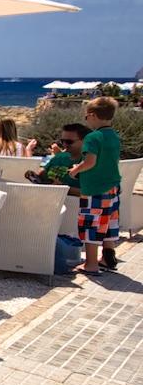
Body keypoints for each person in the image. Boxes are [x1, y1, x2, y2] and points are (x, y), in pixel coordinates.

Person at [67, 98, 122, 274]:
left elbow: (90, 162)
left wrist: (75, 170)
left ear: (92, 115)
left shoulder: (92, 137)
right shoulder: (114, 136)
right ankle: (108, 257)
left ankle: (91, 264)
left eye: (86, 116)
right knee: (109, 221)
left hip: (94, 188)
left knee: (91, 224)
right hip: (112, 186)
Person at [24, 123, 89, 195]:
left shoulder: (90, 162)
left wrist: (62, 189)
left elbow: (92, 193)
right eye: (62, 141)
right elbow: (43, 175)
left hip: (71, 201)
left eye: (69, 142)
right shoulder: (59, 157)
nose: (64, 144)